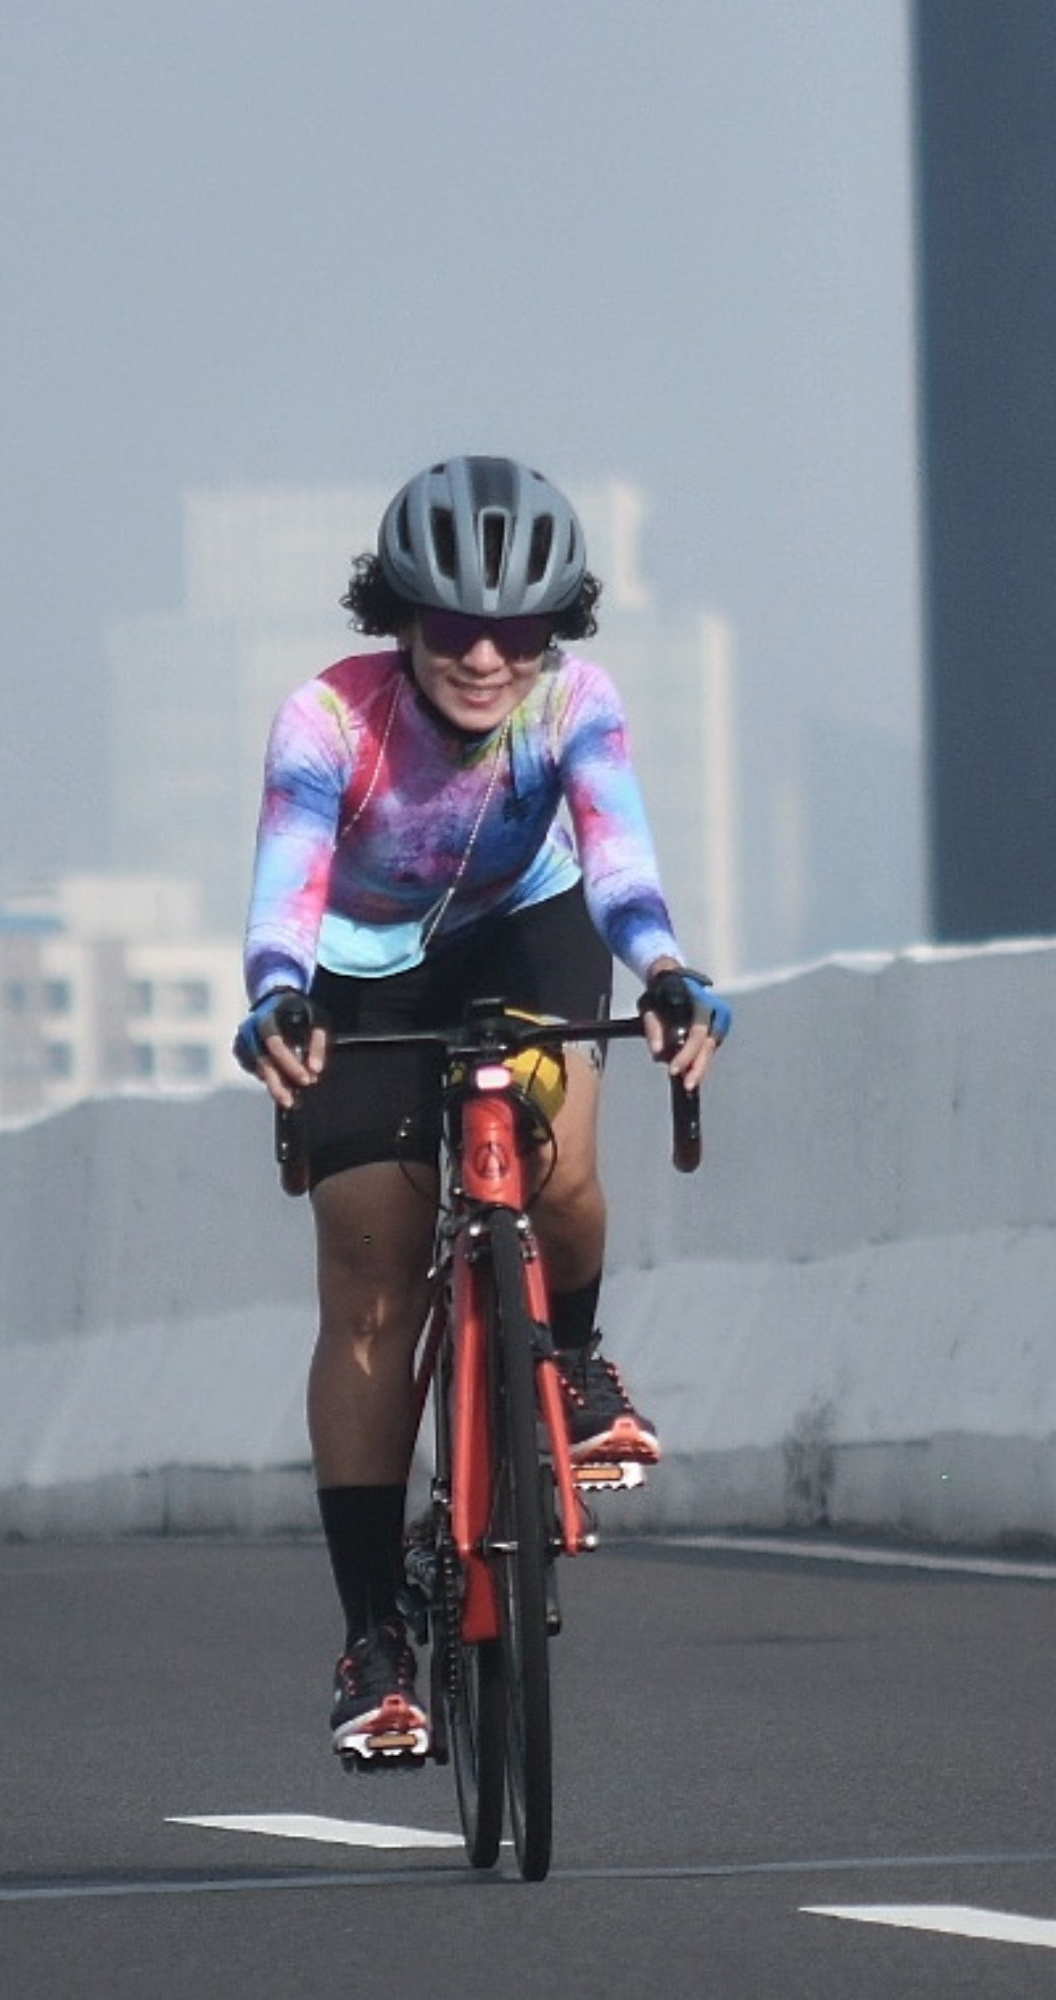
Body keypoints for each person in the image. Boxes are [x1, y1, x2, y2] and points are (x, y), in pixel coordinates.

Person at [234, 455, 729, 1763]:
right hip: (359, 964)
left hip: (523, 935)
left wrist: (667, 970)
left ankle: (565, 1361)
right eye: (455, 628)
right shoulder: (327, 722)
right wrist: (280, 993)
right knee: (370, 1266)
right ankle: (375, 1634)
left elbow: (619, 862)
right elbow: (289, 877)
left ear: (555, 632)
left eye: (520, 632)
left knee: (558, 1163)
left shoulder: (576, 704)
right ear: (400, 613)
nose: (486, 659)